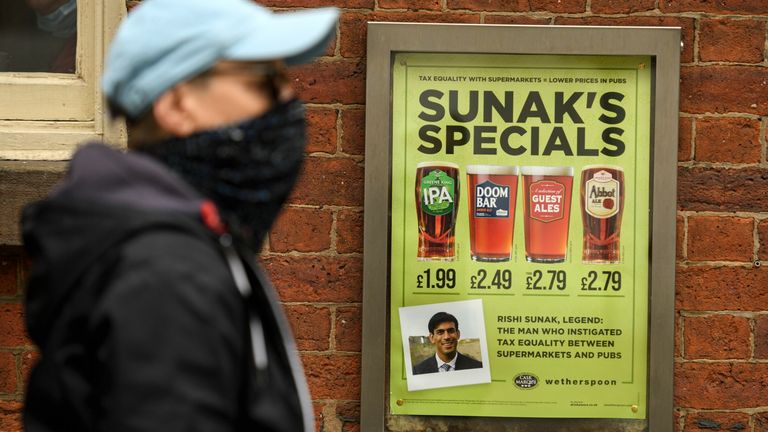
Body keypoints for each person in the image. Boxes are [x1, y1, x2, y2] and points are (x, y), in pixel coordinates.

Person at [20, 0, 338, 431]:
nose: (289, 102)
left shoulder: (183, 246)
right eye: (264, 80)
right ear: (177, 106)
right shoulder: (165, 273)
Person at [412, 312, 483, 375]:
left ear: (458, 334)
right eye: (440, 332)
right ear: (432, 338)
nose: (446, 337)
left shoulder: (477, 367)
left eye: (451, 331)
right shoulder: (417, 371)